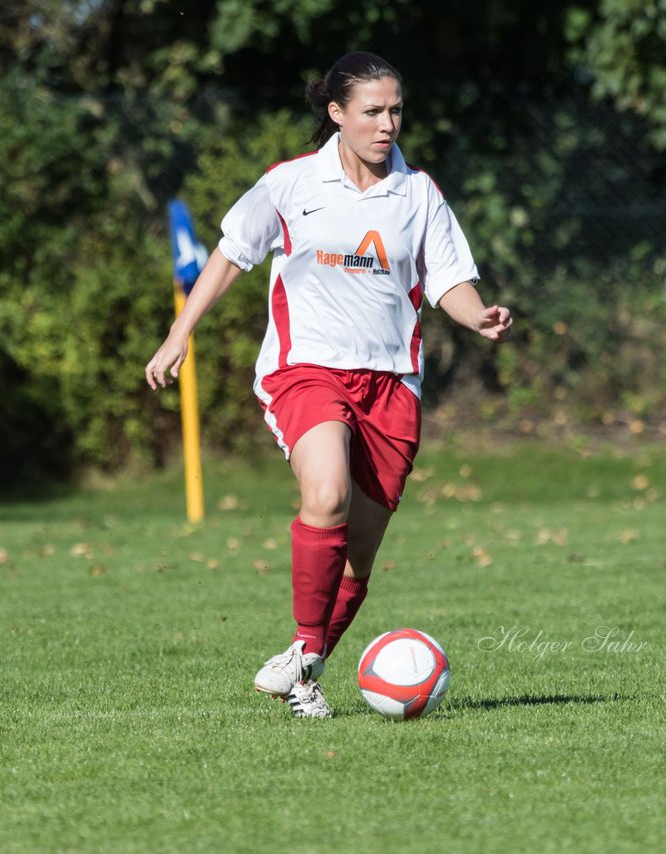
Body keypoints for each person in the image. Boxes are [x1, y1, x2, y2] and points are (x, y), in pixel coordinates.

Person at [145, 51, 512, 718]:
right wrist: (180, 334)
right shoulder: (291, 185)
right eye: (372, 111)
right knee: (327, 493)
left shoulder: (418, 193)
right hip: (306, 369)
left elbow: (450, 280)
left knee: (358, 560)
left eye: (396, 109)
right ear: (336, 114)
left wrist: (477, 316)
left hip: (392, 384)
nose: (387, 124)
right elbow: (231, 256)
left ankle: (305, 666)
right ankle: (306, 663)